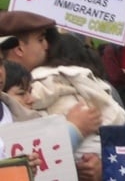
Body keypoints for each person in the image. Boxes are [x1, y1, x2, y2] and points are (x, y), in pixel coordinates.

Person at [0, 10, 104, 181]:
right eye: (40, 40)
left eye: (0, 62)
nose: (47, 46)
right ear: (19, 48)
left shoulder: (20, 112)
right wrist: (73, 131)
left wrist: (96, 167)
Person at [30, 33, 125, 159]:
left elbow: (33, 101)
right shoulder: (99, 85)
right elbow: (118, 120)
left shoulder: (38, 81)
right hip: (97, 152)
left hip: (57, 157)